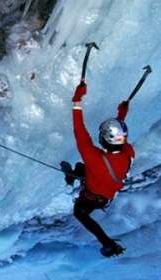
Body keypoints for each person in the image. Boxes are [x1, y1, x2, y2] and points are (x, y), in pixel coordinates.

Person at [70, 80, 135, 257]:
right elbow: (120, 137)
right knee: (82, 169)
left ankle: (107, 242)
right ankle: (107, 243)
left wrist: (77, 99)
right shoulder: (128, 152)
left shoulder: (94, 158)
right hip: (103, 195)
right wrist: (121, 116)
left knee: (79, 211)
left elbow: (79, 129)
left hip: (93, 193)